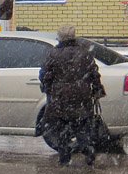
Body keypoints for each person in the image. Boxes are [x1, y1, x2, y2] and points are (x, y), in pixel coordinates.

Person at [39, 24, 105, 166]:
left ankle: (64, 157)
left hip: (60, 97)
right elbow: (94, 73)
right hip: (82, 96)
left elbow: (45, 74)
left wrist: (47, 88)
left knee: (61, 128)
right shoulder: (84, 53)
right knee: (81, 126)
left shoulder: (53, 54)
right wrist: (97, 90)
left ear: (60, 37)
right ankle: (88, 151)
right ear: (74, 36)